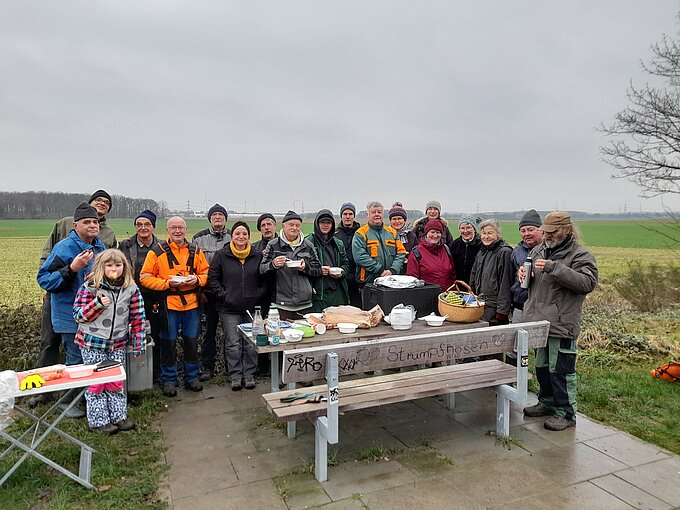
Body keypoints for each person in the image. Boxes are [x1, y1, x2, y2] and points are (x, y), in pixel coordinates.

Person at [30, 190, 117, 408]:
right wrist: (71, 268)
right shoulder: (64, 248)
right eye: (87, 222)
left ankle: (84, 399)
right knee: (75, 359)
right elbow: (44, 278)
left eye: (95, 222)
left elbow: (110, 275)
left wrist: (100, 276)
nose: (92, 226)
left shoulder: (100, 246)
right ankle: (67, 404)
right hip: (68, 314)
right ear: (75, 225)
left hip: (91, 313)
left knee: (87, 359)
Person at [521, 211, 598, 431]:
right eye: (546, 231)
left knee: (561, 371)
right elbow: (535, 279)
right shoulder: (539, 249)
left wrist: (555, 268)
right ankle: (546, 402)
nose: (548, 236)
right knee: (542, 367)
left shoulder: (580, 255)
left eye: (553, 232)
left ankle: (566, 413)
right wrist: (524, 275)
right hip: (539, 322)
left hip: (562, 324)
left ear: (566, 230)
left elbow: (587, 282)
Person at [73, 249, 145, 434]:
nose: (114, 268)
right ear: (101, 267)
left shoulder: (131, 288)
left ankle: (118, 416)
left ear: (124, 267)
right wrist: (96, 305)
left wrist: (138, 342)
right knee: (97, 383)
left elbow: (137, 317)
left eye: (118, 265)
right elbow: (78, 316)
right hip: (92, 342)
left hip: (118, 343)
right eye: (109, 265)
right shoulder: (90, 287)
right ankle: (99, 421)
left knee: (115, 380)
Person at [140, 216, 210, 397]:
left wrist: (197, 279)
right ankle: (169, 379)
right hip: (168, 304)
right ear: (167, 230)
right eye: (173, 228)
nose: (177, 231)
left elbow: (206, 272)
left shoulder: (195, 251)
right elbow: (145, 277)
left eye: (181, 227)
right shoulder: (156, 252)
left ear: (186, 229)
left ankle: (192, 377)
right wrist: (166, 284)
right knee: (168, 343)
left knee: (191, 341)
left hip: (192, 304)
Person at [208, 221, 270, 391]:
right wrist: (225, 295)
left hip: (252, 309)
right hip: (229, 309)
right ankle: (235, 375)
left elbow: (265, 281)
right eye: (237, 234)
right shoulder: (221, 255)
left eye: (244, 234)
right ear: (232, 236)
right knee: (233, 343)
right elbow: (212, 279)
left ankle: (249, 374)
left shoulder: (257, 256)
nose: (241, 237)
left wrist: (257, 295)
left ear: (249, 236)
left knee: (251, 342)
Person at [118, 209, 162, 385]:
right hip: (131, 298)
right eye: (139, 224)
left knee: (157, 334)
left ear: (153, 227)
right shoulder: (125, 245)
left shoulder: (161, 246)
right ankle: (131, 375)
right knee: (129, 335)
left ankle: (155, 373)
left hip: (155, 297)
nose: (143, 228)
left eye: (147, 224)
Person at [192, 204, 232, 382]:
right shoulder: (198, 238)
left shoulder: (234, 236)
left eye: (220, 215)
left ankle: (232, 368)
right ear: (209, 218)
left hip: (229, 293)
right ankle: (207, 367)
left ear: (225, 218)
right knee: (208, 332)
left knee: (232, 332)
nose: (217, 218)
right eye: (214, 215)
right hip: (208, 293)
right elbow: (192, 266)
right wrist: (199, 291)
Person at [259, 210, 322, 320]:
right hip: (280, 304)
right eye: (291, 225)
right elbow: (262, 269)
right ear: (283, 226)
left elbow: (318, 270)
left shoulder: (308, 245)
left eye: (297, 225)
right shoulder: (273, 245)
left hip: (305, 303)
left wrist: (305, 267)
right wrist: (273, 264)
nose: (294, 228)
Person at [352, 201, 407, 291]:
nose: (377, 215)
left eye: (379, 212)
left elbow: (401, 252)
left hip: (391, 281)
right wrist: (380, 270)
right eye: (373, 212)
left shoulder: (392, 232)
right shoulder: (361, 233)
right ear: (368, 215)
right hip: (369, 283)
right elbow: (359, 256)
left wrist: (393, 270)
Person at [469, 219, 513, 326]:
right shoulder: (482, 252)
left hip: (494, 307)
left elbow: (505, 282)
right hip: (481, 304)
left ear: (498, 234)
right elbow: (474, 276)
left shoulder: (504, 252)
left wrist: (502, 310)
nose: (486, 236)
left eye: (490, 233)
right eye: (484, 233)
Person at [305, 209, 350, 312]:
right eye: (322, 222)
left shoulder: (338, 244)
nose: (325, 225)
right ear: (317, 224)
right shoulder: (308, 243)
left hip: (337, 293)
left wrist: (341, 272)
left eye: (328, 223)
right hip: (317, 295)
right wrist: (318, 270)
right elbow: (303, 267)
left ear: (332, 225)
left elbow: (346, 264)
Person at [510, 210, 543, 323]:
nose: (526, 234)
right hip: (520, 306)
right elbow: (510, 278)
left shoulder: (548, 250)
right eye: (523, 231)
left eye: (531, 230)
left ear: (541, 230)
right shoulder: (516, 252)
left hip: (541, 309)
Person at [406, 219, 456, 291]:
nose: (435, 235)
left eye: (438, 232)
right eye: (432, 232)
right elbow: (412, 280)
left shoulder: (446, 249)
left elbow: (452, 275)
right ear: (426, 233)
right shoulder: (417, 252)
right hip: (426, 296)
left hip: (445, 296)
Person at [335, 202, 362, 307]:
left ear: (354, 216)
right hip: (341, 275)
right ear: (341, 215)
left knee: (357, 306)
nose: (347, 217)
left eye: (350, 214)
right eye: (345, 214)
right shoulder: (335, 234)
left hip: (357, 276)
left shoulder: (361, 232)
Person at [451, 214, 482, 285]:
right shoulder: (455, 244)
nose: (465, 231)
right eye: (462, 228)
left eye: (468, 227)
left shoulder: (481, 244)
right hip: (459, 285)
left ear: (474, 229)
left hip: (476, 285)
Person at [388, 202, 417, 272]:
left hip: (408, 270)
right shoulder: (386, 234)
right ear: (390, 221)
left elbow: (416, 253)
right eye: (394, 219)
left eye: (400, 218)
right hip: (390, 271)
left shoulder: (411, 236)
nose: (397, 221)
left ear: (404, 220)